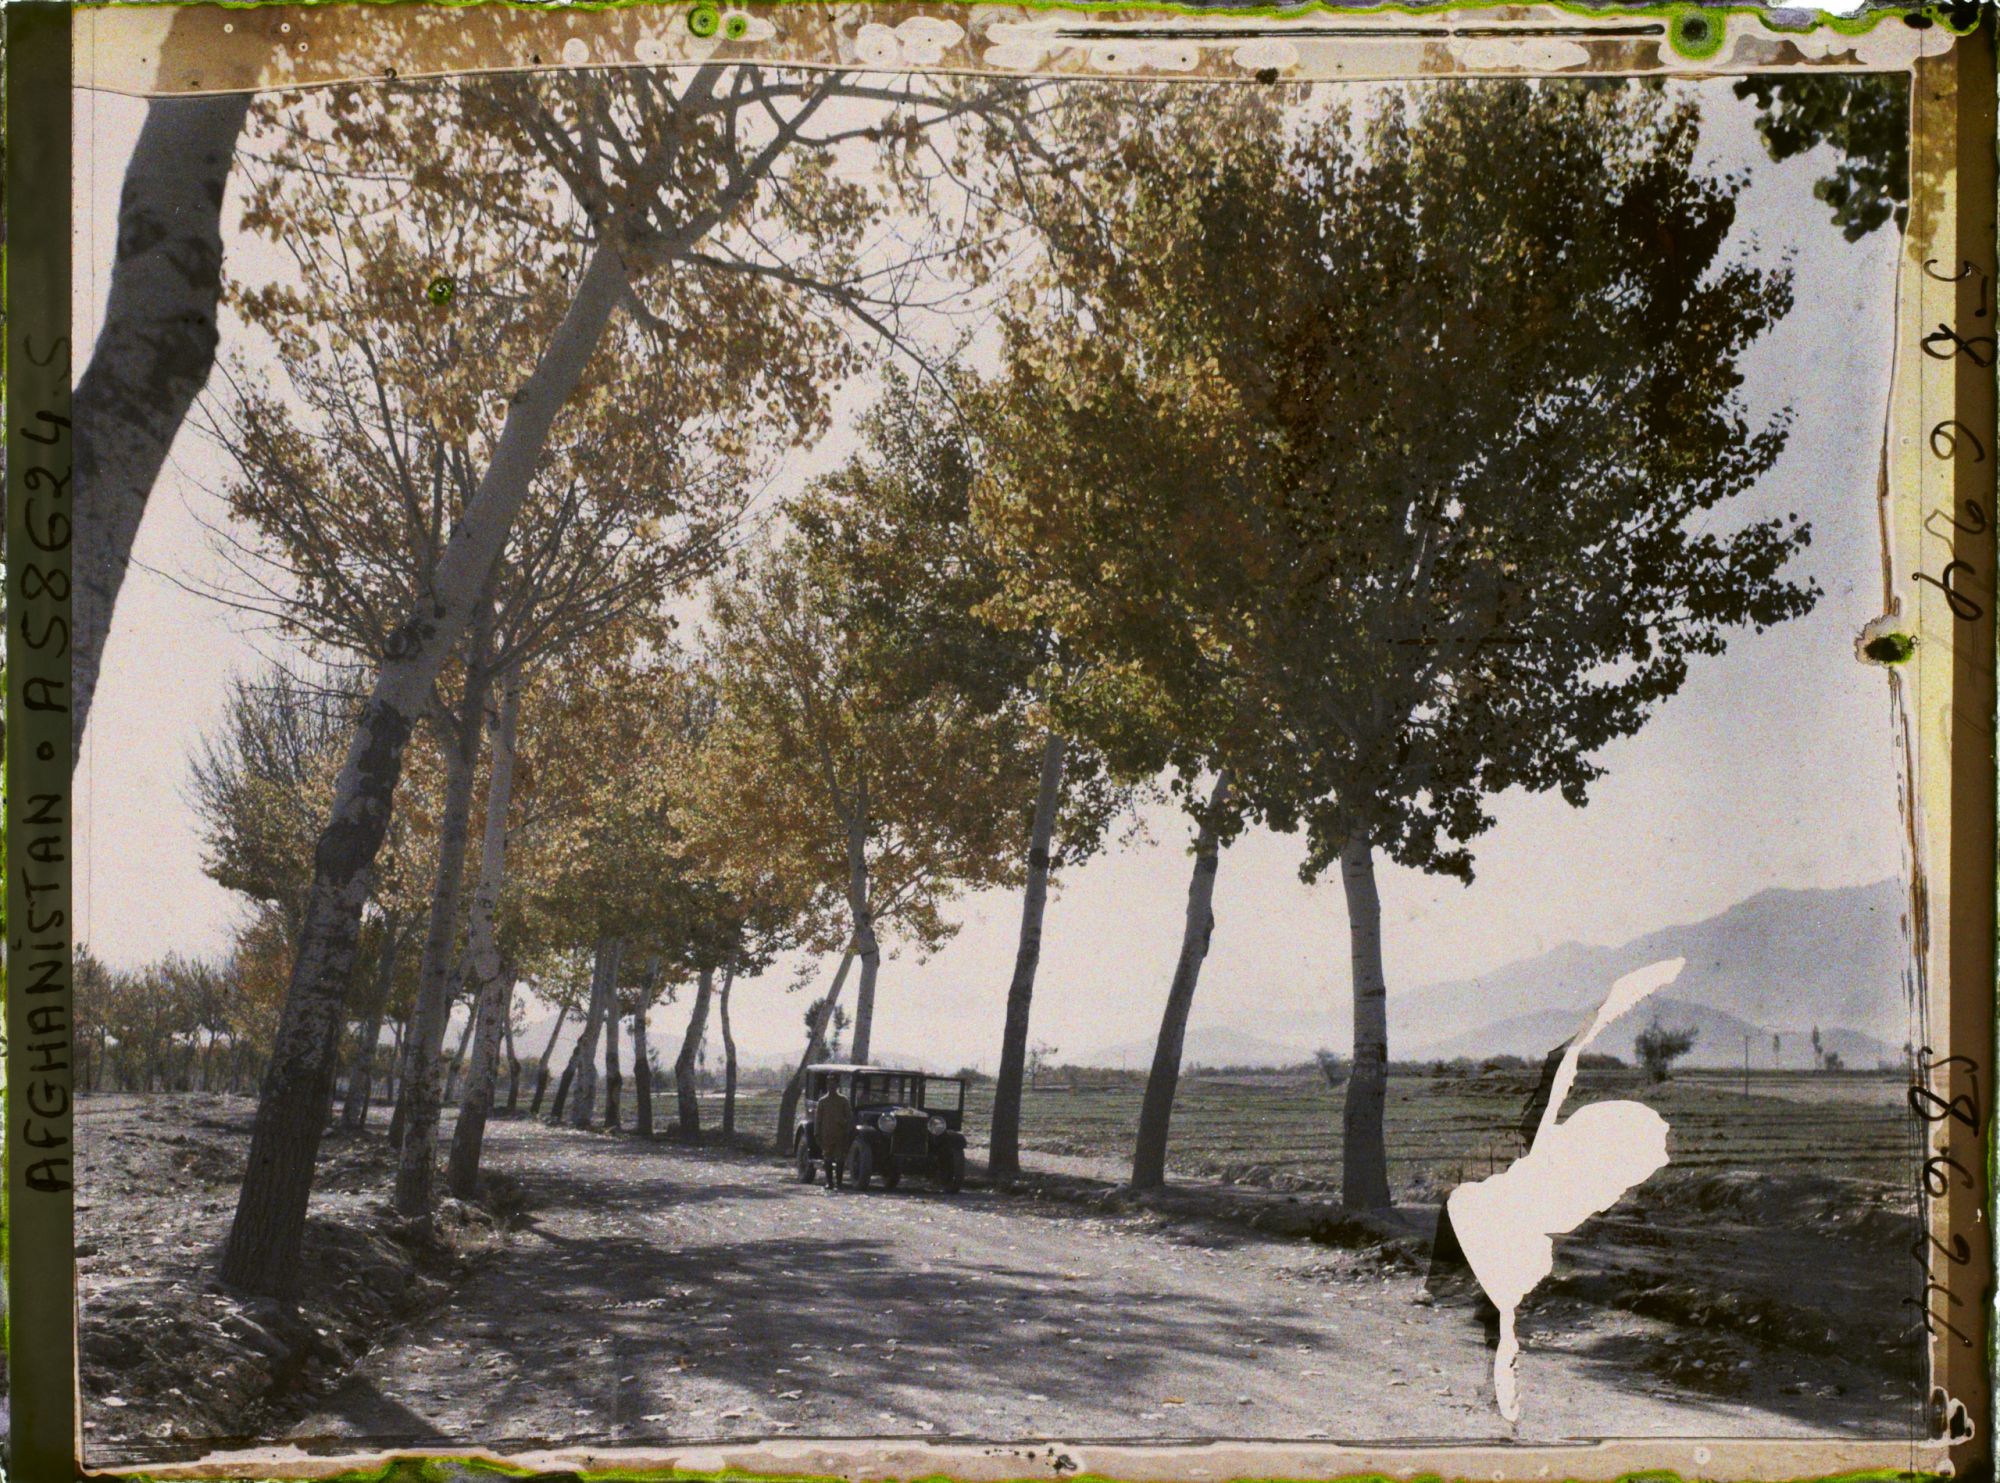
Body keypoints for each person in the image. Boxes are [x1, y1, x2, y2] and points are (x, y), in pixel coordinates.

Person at [813, 1078, 854, 1191]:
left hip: (840, 1134)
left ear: (837, 1086)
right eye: (829, 1084)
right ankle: (829, 1182)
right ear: (827, 1086)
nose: (831, 1087)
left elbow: (849, 1117)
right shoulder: (823, 1101)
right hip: (826, 1134)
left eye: (833, 1084)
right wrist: (817, 1133)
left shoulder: (843, 1100)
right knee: (828, 1158)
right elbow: (818, 1119)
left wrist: (845, 1127)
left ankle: (839, 1183)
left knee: (840, 1158)